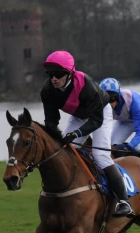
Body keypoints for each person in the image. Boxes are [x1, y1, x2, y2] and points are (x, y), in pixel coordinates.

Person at [40, 51, 133, 217]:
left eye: (59, 74)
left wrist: (76, 133)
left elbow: (96, 121)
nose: (54, 78)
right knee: (63, 152)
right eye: (50, 74)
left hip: (100, 114)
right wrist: (59, 138)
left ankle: (124, 201)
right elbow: (51, 121)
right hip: (79, 116)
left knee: (100, 155)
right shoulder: (47, 91)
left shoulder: (85, 84)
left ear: (70, 73)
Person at [98, 78, 140, 171]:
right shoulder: (101, 106)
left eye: (112, 99)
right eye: (106, 100)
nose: (109, 104)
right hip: (125, 121)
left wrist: (129, 146)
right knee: (112, 146)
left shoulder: (133, 100)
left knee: (138, 147)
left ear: (118, 96)